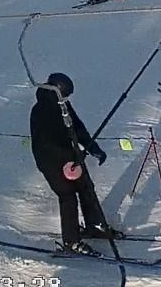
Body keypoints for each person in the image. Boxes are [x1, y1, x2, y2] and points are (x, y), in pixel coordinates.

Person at [30, 72, 110, 256]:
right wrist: (70, 156)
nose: (66, 99)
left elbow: (77, 128)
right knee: (67, 196)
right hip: (50, 161)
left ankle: (95, 225)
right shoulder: (40, 110)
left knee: (87, 187)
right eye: (65, 95)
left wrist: (92, 148)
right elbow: (45, 144)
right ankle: (71, 241)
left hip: (70, 158)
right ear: (56, 91)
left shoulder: (62, 104)